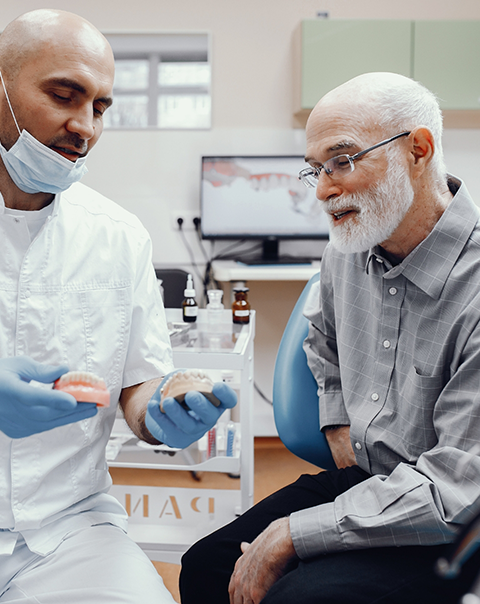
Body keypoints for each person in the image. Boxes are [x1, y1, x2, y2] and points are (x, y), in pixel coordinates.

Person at [0, 9, 236, 604]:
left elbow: (139, 385)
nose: (84, 126)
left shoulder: (118, 237)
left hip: (68, 533)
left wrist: (163, 406)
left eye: (101, 107)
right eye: (64, 96)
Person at [179, 72, 480, 604]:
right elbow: (322, 338)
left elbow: (454, 489)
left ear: (419, 149)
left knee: (296, 597)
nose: (322, 190)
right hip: (368, 479)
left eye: (342, 161)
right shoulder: (347, 249)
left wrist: (294, 535)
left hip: (452, 517)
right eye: (315, 170)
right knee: (205, 567)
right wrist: (338, 420)